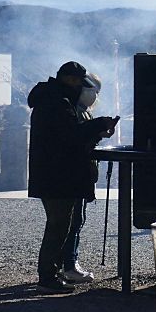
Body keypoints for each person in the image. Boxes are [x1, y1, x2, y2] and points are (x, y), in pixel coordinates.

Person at [28, 61, 119, 295]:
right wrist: (98, 125)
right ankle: (47, 277)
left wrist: (95, 132)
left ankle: (53, 273)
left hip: (56, 173)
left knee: (62, 225)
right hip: (57, 173)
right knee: (58, 226)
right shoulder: (56, 103)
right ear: (71, 80)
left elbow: (72, 136)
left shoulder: (54, 99)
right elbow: (70, 135)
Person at [57, 72, 104, 285]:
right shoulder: (72, 111)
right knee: (72, 221)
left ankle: (61, 264)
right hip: (73, 173)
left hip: (77, 173)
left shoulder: (81, 111)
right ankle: (68, 263)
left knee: (73, 220)